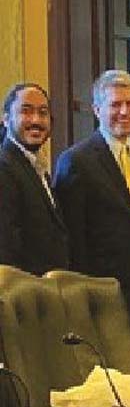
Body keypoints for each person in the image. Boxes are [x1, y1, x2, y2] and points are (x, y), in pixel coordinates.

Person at [53, 70, 130, 364]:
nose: (124, 112)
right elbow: (72, 239)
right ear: (97, 109)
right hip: (101, 296)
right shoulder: (76, 161)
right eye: (115, 105)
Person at [0, 82, 69, 275]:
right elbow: (6, 249)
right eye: (26, 111)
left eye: (43, 112)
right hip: (23, 297)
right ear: (6, 119)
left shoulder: (36, 167)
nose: (36, 120)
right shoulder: (4, 168)